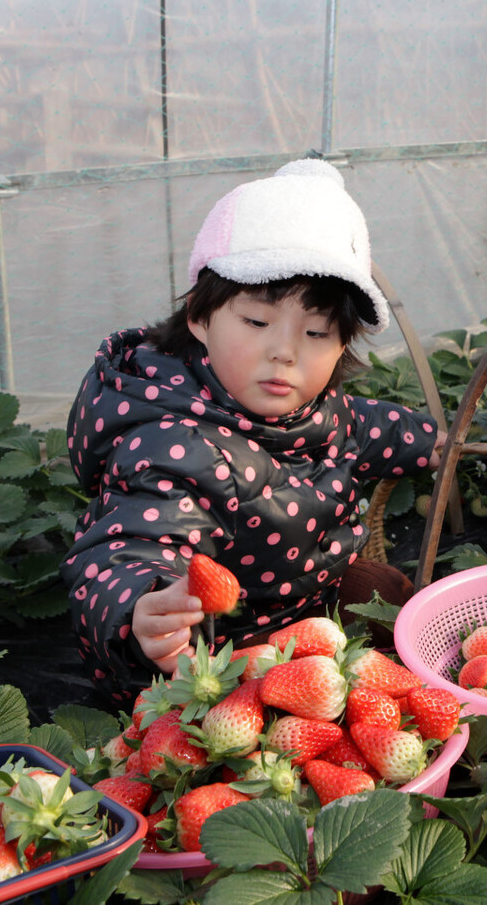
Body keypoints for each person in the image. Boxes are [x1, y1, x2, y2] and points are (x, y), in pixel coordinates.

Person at [62, 159, 444, 704]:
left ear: (342, 348)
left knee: (394, 598)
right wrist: (141, 606)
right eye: (257, 323)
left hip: (309, 598)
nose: (284, 351)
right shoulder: (176, 443)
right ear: (199, 317)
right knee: (275, 705)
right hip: (217, 648)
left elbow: (368, 427)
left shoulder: (318, 408)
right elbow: (130, 542)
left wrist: (436, 444)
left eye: (315, 332)